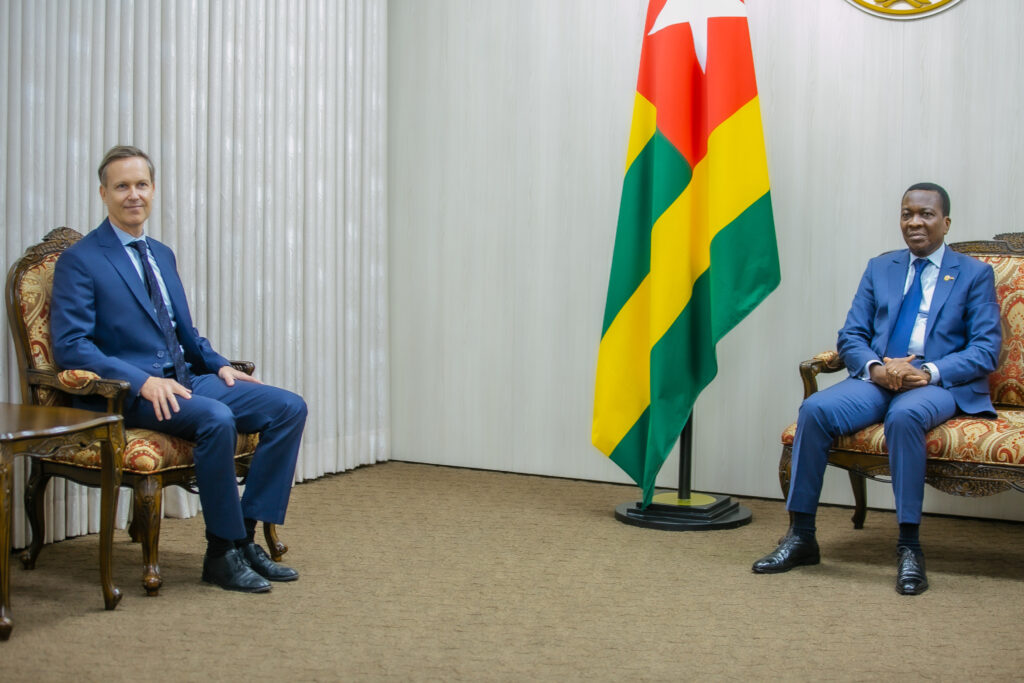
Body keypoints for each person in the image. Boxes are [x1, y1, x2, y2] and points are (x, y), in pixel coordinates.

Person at [51, 145, 308, 594]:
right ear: (103, 193)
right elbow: (72, 347)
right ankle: (220, 553)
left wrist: (221, 365)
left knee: (288, 407)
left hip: (186, 379)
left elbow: (184, 332)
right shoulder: (82, 259)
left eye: (142, 184)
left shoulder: (161, 255)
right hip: (131, 392)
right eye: (122, 186)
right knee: (216, 418)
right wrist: (143, 381)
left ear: (153, 190)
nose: (134, 194)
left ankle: (244, 538)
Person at [752, 182, 1001, 595]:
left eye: (926, 214)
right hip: (878, 377)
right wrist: (875, 367)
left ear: (946, 223)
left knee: (904, 417)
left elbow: (986, 349)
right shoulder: (880, 268)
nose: (915, 222)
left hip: (934, 382)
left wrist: (931, 371)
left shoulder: (974, 274)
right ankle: (801, 536)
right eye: (907, 214)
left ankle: (908, 547)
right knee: (814, 410)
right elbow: (851, 334)